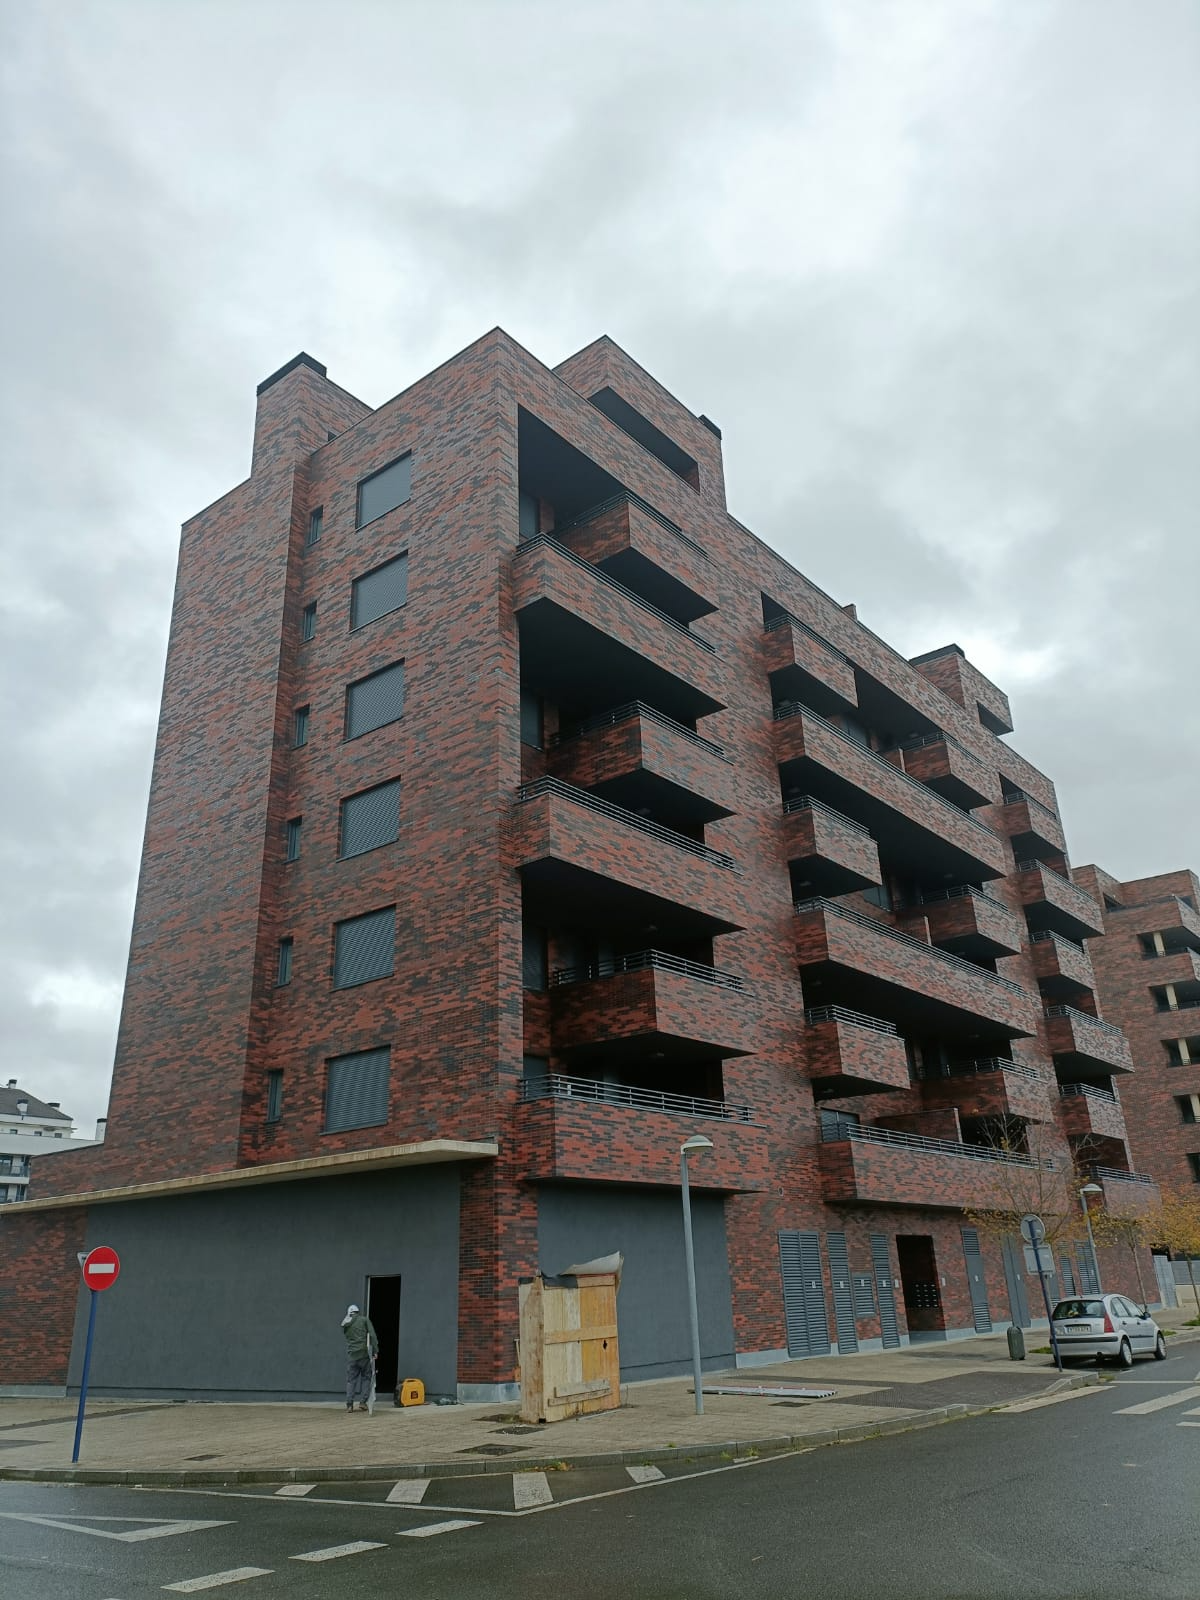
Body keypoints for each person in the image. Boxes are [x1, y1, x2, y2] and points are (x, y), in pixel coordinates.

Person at [341, 1302, 378, 1413]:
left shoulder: (346, 1323)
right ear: (357, 1312)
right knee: (366, 1377)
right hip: (363, 1355)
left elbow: (347, 1336)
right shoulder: (364, 1320)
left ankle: (349, 1405)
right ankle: (363, 1402)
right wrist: (375, 1351)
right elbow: (372, 1335)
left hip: (352, 1356)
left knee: (351, 1381)